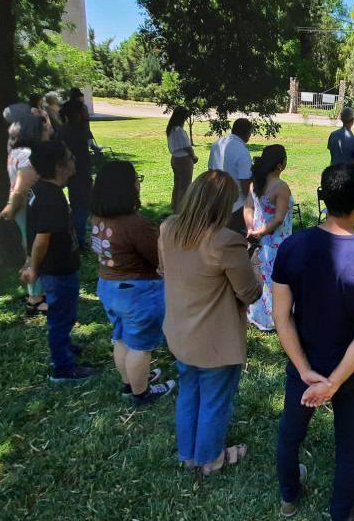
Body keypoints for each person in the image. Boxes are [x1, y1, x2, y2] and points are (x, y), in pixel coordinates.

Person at [273, 162, 354, 521]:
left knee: (290, 435)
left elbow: (280, 316)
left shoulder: (291, 247)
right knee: (350, 447)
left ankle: (289, 498)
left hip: (304, 363)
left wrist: (305, 369)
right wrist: (335, 381)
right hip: (352, 372)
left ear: (323, 196)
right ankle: (343, 512)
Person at [160, 170, 262, 475]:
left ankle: (189, 455)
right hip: (216, 342)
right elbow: (249, 293)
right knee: (215, 401)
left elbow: (165, 269)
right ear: (223, 205)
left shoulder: (168, 228)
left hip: (180, 333)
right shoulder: (226, 241)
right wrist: (255, 265)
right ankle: (211, 459)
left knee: (189, 392)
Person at [89, 161, 175, 404]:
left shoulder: (98, 219)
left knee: (122, 337)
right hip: (138, 293)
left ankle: (131, 381)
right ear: (126, 188)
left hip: (109, 287)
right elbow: (160, 259)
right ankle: (141, 392)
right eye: (137, 178)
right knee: (141, 346)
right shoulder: (137, 225)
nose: (139, 183)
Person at [21, 139, 96, 382]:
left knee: (64, 314)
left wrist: (30, 261)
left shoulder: (40, 189)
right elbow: (41, 239)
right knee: (60, 318)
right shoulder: (51, 197)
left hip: (57, 267)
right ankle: (63, 368)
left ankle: (65, 346)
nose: (74, 161)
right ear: (59, 166)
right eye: (71, 158)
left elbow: (31, 231)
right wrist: (33, 268)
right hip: (58, 269)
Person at [0, 111, 51, 316]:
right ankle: (35, 299)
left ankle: (39, 292)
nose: (48, 131)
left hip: (25, 208)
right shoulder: (28, 155)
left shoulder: (16, 151)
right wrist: (11, 208)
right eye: (44, 128)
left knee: (31, 248)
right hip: (30, 208)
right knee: (35, 250)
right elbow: (21, 188)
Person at [245, 144, 293, 331]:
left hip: (258, 240)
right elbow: (279, 218)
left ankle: (257, 315)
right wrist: (260, 232)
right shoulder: (280, 187)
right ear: (280, 164)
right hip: (276, 241)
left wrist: (251, 229)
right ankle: (274, 318)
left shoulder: (256, 183)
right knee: (276, 279)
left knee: (260, 275)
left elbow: (248, 207)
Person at [207, 118, 253, 236]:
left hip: (217, 198)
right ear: (247, 133)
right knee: (235, 238)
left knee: (217, 236)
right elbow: (245, 181)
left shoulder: (217, 144)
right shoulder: (242, 151)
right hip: (237, 204)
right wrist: (251, 202)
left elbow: (210, 171)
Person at [58, 94, 93, 249]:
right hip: (79, 175)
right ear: (78, 114)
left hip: (72, 175)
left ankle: (75, 237)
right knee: (81, 208)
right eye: (85, 112)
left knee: (77, 206)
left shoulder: (64, 130)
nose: (87, 114)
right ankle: (79, 239)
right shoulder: (76, 132)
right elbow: (78, 157)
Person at [166, 109, 199, 213]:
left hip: (175, 158)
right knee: (185, 185)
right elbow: (187, 147)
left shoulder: (171, 129)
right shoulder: (179, 130)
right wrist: (193, 157)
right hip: (184, 159)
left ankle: (175, 207)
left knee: (177, 184)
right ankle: (182, 210)